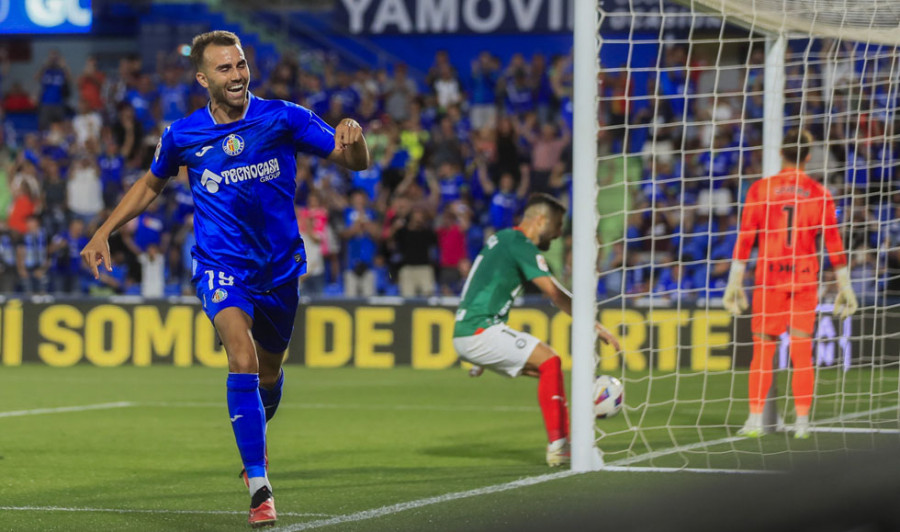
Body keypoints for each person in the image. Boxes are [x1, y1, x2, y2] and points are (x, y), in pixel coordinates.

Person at [80, 30, 369, 527]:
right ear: (202, 78)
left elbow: (352, 161)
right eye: (224, 69)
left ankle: (256, 441)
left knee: (269, 376)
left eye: (239, 66)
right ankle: (259, 486)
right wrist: (105, 229)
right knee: (241, 354)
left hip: (279, 269)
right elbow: (150, 184)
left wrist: (357, 140)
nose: (236, 75)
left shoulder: (284, 117)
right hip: (221, 265)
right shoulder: (183, 134)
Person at [452, 193, 621, 466]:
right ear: (540, 220)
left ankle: (564, 441)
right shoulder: (520, 243)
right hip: (479, 330)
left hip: (470, 330)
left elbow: (477, 285)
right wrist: (595, 325)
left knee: (548, 368)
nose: (555, 237)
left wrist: (476, 354)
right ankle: (560, 445)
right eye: (555, 228)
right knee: (550, 359)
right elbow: (554, 293)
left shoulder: (502, 239)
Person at [723, 128, 858, 440]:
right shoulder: (821, 193)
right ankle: (802, 423)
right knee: (801, 352)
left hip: (769, 278)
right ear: (808, 157)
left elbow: (746, 237)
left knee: (763, 351)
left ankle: (755, 419)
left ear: (780, 153)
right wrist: (845, 286)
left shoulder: (760, 189)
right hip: (804, 279)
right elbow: (834, 243)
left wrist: (734, 280)